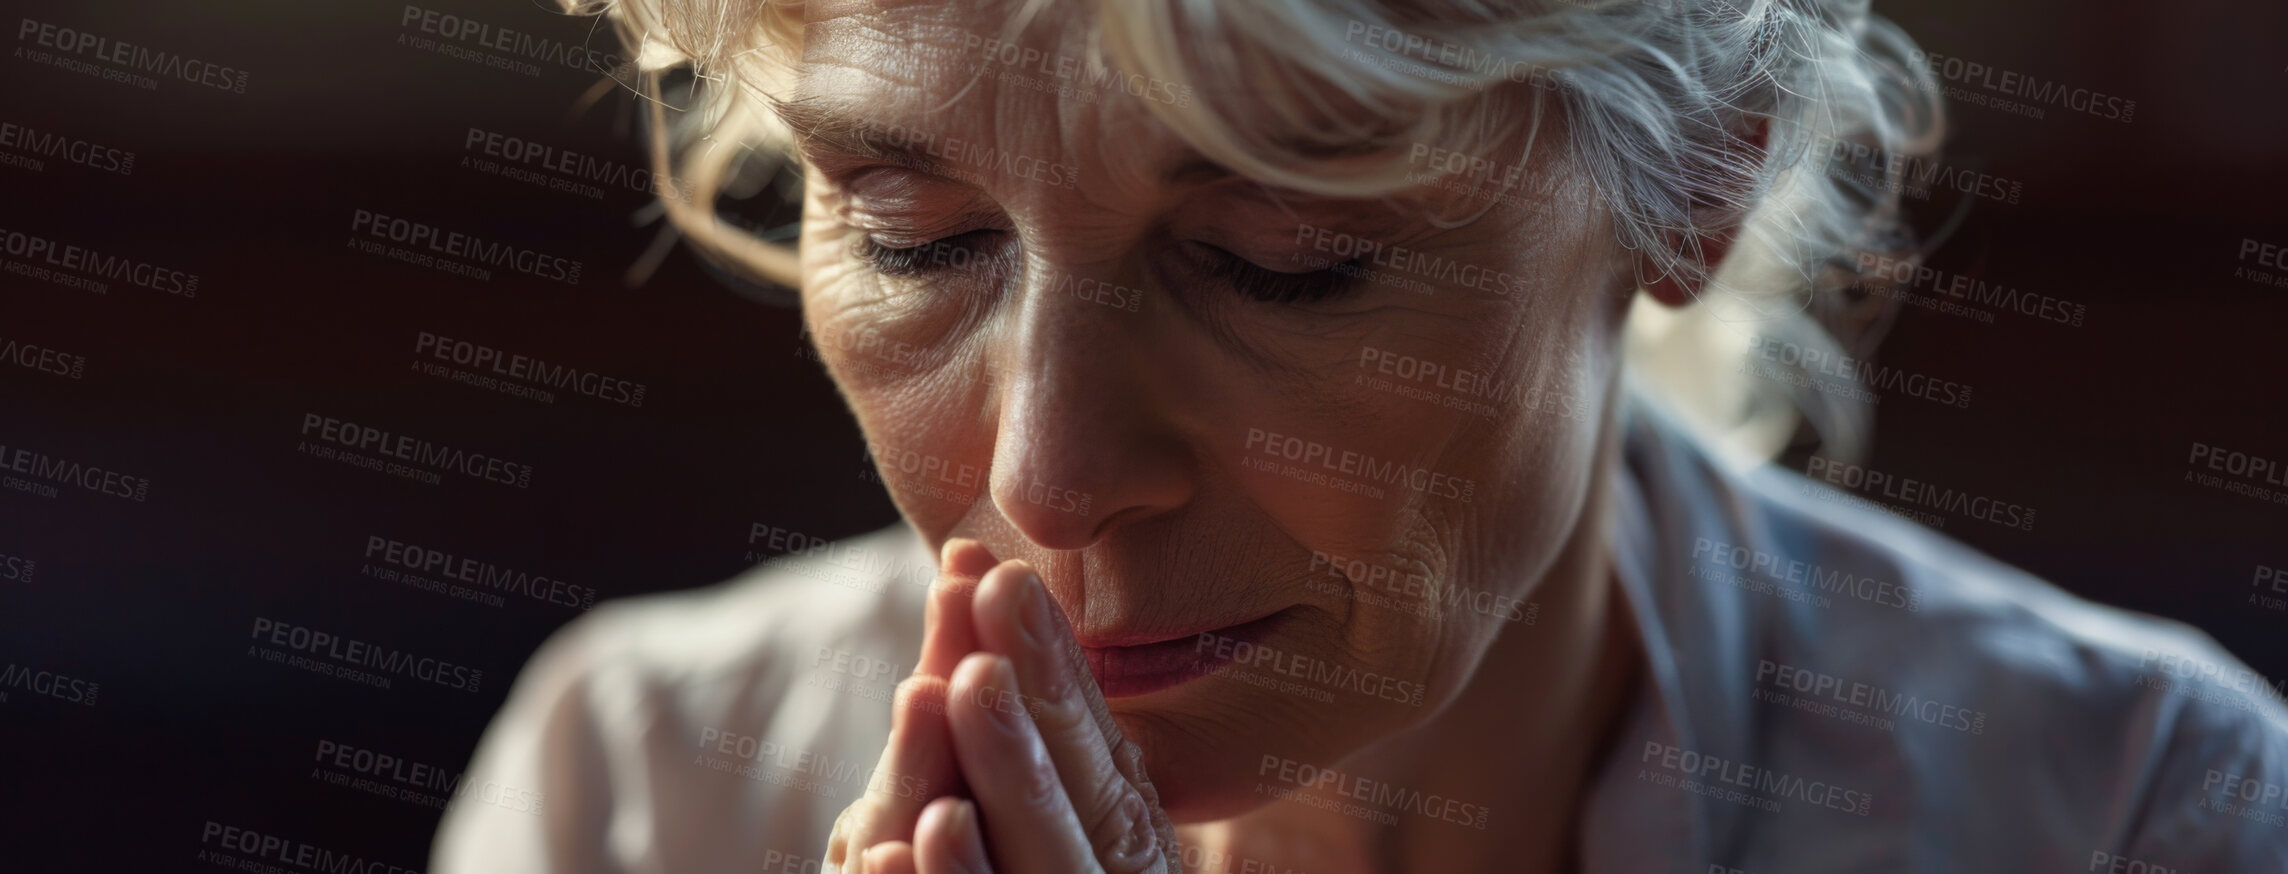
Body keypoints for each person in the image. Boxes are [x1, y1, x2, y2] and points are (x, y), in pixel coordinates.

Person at [431, 1, 2288, 871]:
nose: (1044, 478)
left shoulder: (2129, 814)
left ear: (1702, 173)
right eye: (917, 239)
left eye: (1279, 264)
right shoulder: (639, 793)